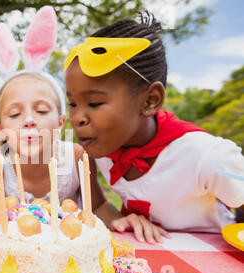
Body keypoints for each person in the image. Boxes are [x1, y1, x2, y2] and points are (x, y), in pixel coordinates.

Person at [64, 11, 244, 243]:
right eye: (72, 103)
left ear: (150, 100)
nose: (77, 117)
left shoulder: (206, 157)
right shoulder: (101, 149)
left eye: (95, 103)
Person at [0, 6, 119, 219]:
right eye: (15, 114)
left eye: (41, 110)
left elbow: (99, 206)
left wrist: (123, 222)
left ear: (60, 122)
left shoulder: (76, 157)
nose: (28, 120)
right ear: (0, 129)